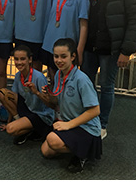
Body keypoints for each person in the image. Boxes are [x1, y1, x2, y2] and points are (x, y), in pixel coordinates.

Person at [81, 0, 136, 139]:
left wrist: (127, 50)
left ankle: (101, 123)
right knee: (86, 84)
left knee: (106, 86)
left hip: (111, 47)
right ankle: (85, 119)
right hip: (90, 44)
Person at [39, 38, 102, 173]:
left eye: (63, 56)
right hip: (70, 122)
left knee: (52, 139)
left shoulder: (81, 79)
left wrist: (68, 125)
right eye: (56, 56)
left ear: (73, 57)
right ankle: (74, 145)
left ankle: (83, 154)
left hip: (86, 127)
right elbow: (57, 102)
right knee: (46, 151)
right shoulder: (58, 74)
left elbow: (95, 110)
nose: (59, 60)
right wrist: (49, 96)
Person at [41, 0, 89, 84]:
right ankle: (55, 103)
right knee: (53, 78)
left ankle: (64, 104)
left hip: (68, 47)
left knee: (67, 82)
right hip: (50, 44)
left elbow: (84, 25)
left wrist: (79, 50)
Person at [0, 45, 54, 145]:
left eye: (23, 59)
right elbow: (13, 98)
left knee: (11, 130)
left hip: (40, 114)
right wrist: (9, 121)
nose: (19, 62)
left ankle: (34, 128)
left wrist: (36, 92)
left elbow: (49, 102)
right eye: (16, 59)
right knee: (2, 93)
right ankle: (20, 122)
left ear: (30, 60)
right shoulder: (18, 75)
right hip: (27, 107)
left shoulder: (39, 77)